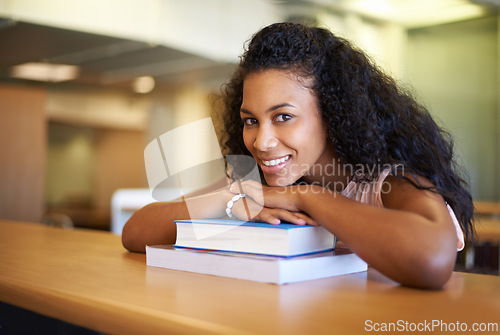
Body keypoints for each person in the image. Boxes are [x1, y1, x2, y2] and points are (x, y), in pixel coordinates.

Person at [122, 22, 474, 289]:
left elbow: (433, 259)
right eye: (250, 121)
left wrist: (306, 195)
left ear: (336, 113)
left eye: (283, 117)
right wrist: (232, 200)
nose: (261, 141)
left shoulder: (385, 182)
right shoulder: (255, 182)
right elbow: (135, 232)